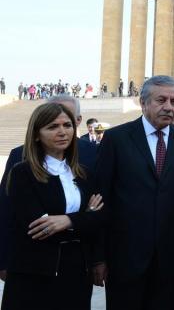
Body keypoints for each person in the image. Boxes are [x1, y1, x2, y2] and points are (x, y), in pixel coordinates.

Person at [94, 75, 174, 310]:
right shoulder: (116, 139)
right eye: (161, 100)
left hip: (172, 261)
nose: (169, 107)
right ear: (143, 103)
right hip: (125, 259)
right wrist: (99, 257)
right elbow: (102, 200)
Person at [1, 102, 104, 310]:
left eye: (67, 125)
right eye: (52, 126)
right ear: (37, 134)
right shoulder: (23, 173)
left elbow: (101, 220)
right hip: (35, 274)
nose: (62, 132)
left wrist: (67, 220)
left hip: (76, 273)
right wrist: (84, 218)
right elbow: (40, 227)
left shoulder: (83, 174)